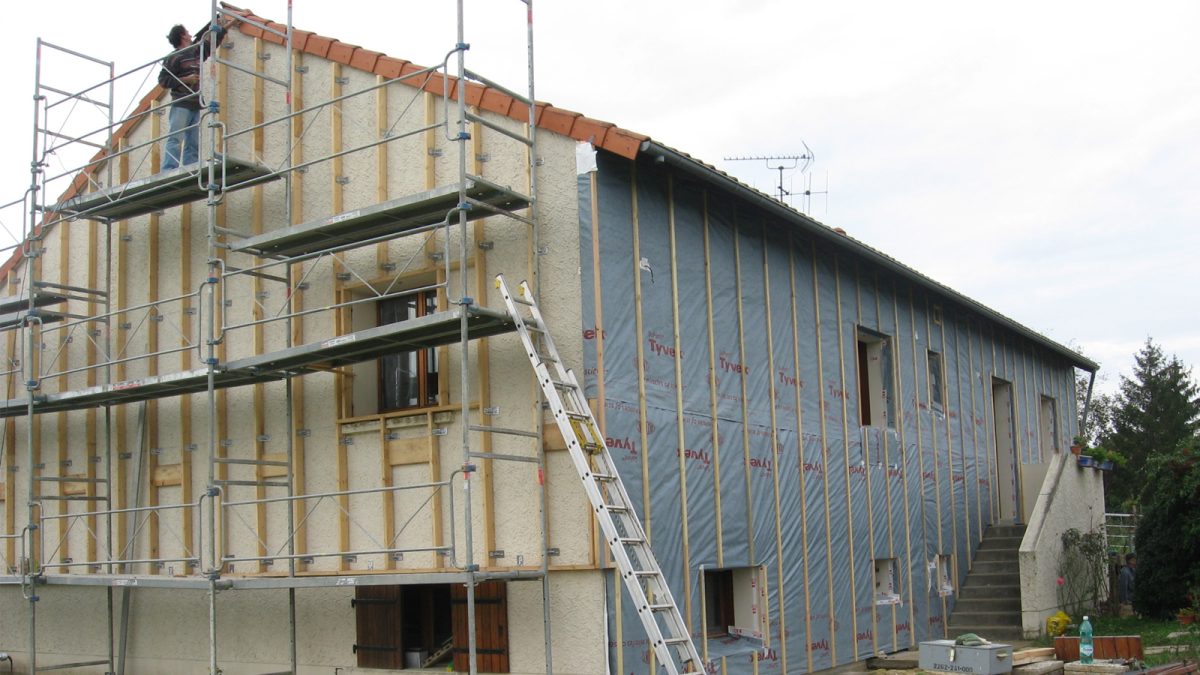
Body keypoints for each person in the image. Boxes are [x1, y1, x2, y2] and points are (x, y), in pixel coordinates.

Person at [159, 17, 232, 170]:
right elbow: (163, 80)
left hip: (195, 103)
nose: (190, 34)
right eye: (187, 32)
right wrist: (185, 79)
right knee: (175, 138)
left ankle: (189, 169)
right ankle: (169, 170)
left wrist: (226, 25)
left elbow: (211, 41)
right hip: (181, 103)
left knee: (193, 142)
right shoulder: (174, 57)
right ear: (182, 36)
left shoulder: (195, 51)